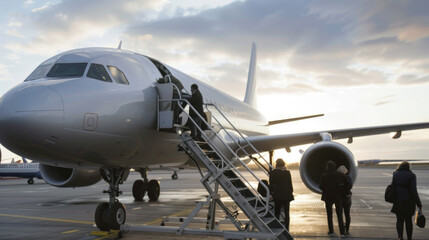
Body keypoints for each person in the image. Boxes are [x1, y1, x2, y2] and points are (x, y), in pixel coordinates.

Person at [390, 161, 422, 240]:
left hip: (398, 201)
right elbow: (414, 190)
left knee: (399, 220)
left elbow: (392, 187)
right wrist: (418, 203)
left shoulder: (395, 174)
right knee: (408, 221)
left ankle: (400, 237)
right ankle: (409, 238)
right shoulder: (412, 175)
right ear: (408, 167)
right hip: (408, 202)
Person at [320, 161, 347, 237]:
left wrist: (326, 189)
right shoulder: (339, 175)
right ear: (334, 166)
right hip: (337, 197)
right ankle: (342, 233)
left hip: (327, 197)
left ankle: (331, 231)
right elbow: (344, 184)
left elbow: (321, 186)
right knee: (339, 215)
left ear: (327, 167)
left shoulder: (324, 175)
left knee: (329, 215)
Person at [269, 158, 294, 230]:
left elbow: (271, 184)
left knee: (277, 212)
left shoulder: (273, 173)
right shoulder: (287, 172)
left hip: (278, 195)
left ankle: (277, 227)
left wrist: (271, 193)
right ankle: (287, 228)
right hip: (286, 195)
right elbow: (290, 184)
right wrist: (290, 192)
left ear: (276, 164)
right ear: (283, 164)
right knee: (287, 213)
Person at [337, 165, 353, 235]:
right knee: (347, 214)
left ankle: (342, 231)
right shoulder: (348, 177)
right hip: (347, 197)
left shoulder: (337, 178)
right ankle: (347, 229)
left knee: (340, 215)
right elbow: (351, 185)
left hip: (339, 197)